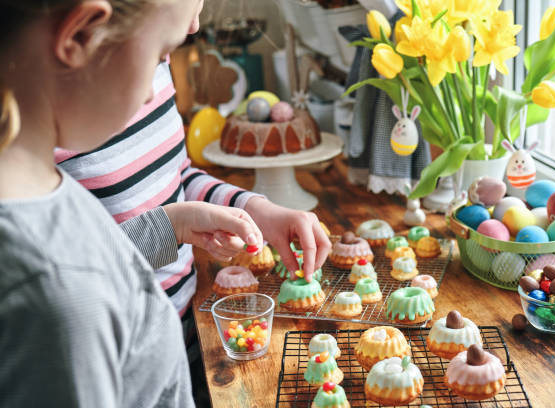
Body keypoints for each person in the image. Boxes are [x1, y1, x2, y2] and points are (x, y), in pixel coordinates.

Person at [0, 0, 263, 406]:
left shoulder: (45, 192)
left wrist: (171, 225)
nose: (151, 91)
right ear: (82, 35)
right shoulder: (57, 292)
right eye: (161, 54)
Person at [55, 4, 332, 329]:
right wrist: (171, 227)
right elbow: (62, 277)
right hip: (121, 344)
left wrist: (256, 210)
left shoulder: (153, 62)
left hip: (189, 318)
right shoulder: (38, 125)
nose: (194, 27)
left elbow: (176, 174)